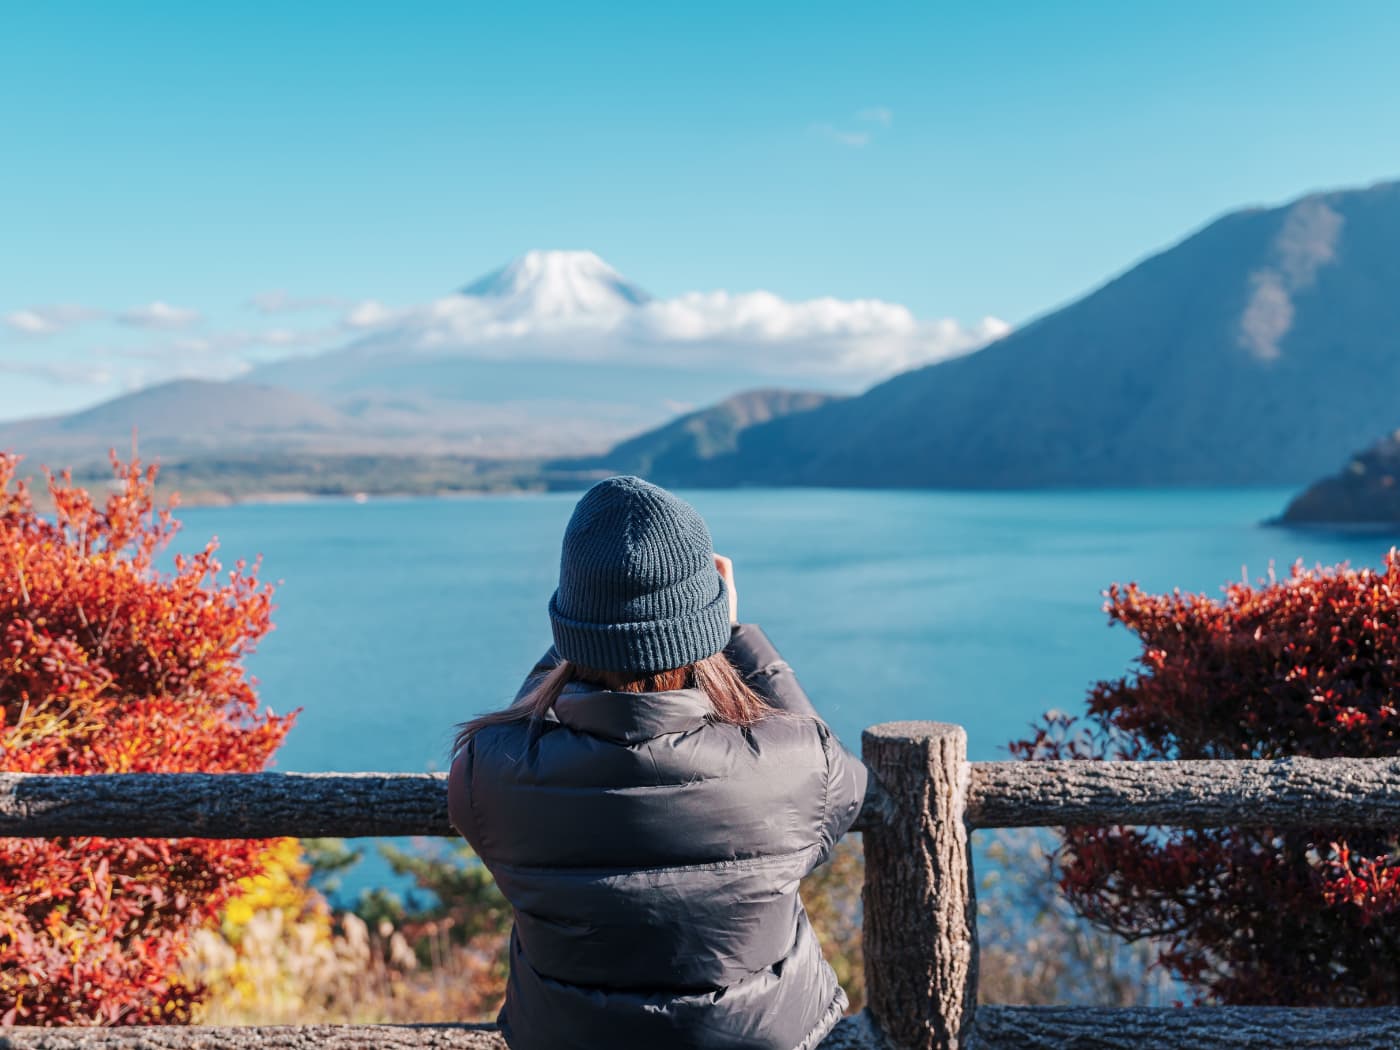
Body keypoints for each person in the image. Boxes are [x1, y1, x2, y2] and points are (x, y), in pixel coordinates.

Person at [448, 475, 868, 1050]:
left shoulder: (489, 771)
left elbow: (523, 726)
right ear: (705, 628)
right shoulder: (793, 761)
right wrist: (736, 633)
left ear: (569, 626)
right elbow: (843, 786)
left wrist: (588, 630)